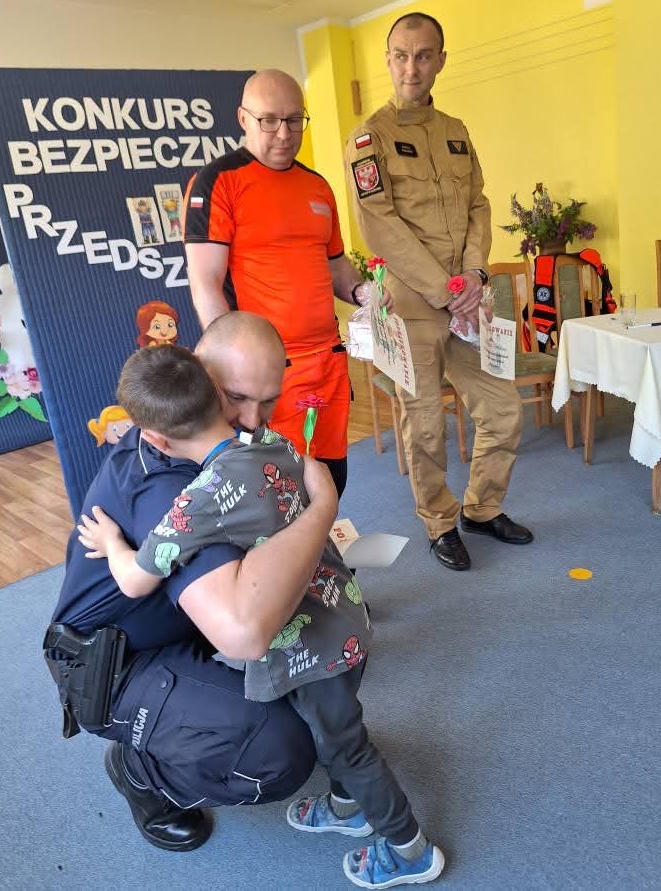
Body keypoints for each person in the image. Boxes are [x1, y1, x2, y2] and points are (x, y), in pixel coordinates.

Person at [79, 341, 444, 888]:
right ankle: (347, 807)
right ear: (218, 396)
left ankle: (409, 848)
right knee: (335, 727)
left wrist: (111, 542)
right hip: (345, 616)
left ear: (154, 438)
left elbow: (134, 579)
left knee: (346, 748)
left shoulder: (195, 504)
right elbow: (303, 484)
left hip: (310, 651)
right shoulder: (272, 443)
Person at [45, 312, 339, 854]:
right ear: (200, 378)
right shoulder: (174, 494)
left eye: (268, 401)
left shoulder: (223, 447)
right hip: (113, 665)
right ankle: (139, 772)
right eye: (236, 397)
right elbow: (244, 634)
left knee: (320, 656)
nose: (251, 421)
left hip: (172, 627)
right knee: (281, 751)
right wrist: (323, 510)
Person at [344, 12, 533, 572]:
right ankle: (440, 522)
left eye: (424, 55)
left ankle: (482, 508)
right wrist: (446, 290)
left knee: (503, 410)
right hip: (413, 306)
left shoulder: (456, 130)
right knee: (424, 424)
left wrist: (473, 276)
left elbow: (479, 206)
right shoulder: (369, 138)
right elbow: (379, 225)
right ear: (388, 60)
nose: (412, 67)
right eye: (402, 56)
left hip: (468, 303)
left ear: (440, 61)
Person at [183, 68, 391, 499]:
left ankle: (325, 546)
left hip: (328, 362)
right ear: (243, 118)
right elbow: (205, 283)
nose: (284, 133)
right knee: (275, 494)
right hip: (268, 377)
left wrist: (362, 292)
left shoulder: (317, 186)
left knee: (330, 481)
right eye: (269, 120)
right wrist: (233, 373)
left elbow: (335, 264)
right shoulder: (217, 182)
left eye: (295, 120)